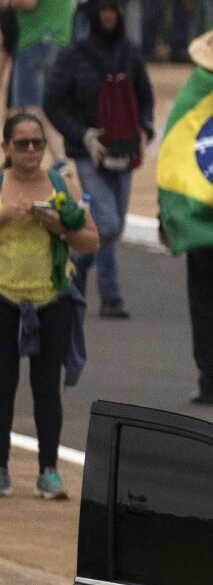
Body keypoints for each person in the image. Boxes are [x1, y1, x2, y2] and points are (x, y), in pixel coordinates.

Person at [0, 108, 94, 501]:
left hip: (52, 298)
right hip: (4, 298)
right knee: (3, 385)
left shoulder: (60, 184)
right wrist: (5, 216)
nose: (30, 150)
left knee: (46, 388)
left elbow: (92, 240)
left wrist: (60, 227)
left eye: (37, 143)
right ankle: (1, 468)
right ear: (6, 147)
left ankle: (49, 471)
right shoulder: (1, 185)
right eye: (22, 143)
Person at [42, 0, 152, 321]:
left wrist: (144, 129)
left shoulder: (130, 52)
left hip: (125, 149)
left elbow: (144, 95)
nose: (108, 16)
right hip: (88, 153)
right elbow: (52, 103)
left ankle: (77, 269)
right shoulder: (73, 55)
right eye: (102, 10)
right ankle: (111, 294)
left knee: (113, 228)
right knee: (107, 223)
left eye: (112, 10)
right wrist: (82, 135)